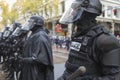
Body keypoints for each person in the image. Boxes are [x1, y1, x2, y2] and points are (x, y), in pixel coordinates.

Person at [58, 0, 120, 80]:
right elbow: (71, 68)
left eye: (75, 10)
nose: (72, 13)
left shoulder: (105, 40)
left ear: (85, 14)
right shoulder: (79, 36)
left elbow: (114, 77)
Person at [18, 15, 54, 80]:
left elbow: (40, 59)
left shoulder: (41, 36)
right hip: (29, 69)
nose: (29, 24)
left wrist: (23, 60)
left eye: (31, 22)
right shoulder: (33, 34)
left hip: (36, 73)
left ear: (37, 24)